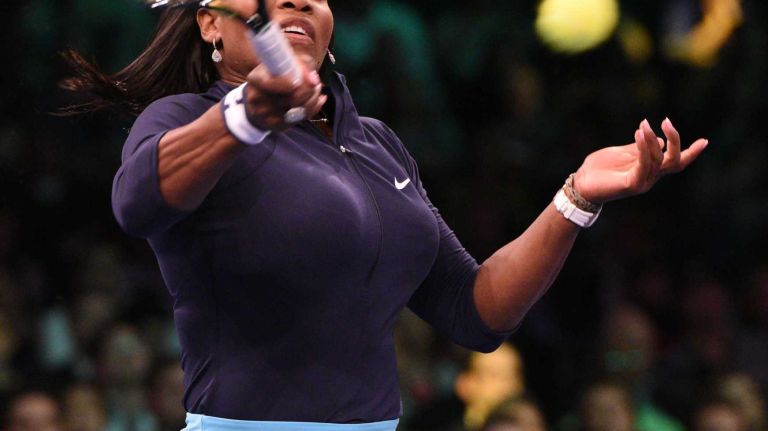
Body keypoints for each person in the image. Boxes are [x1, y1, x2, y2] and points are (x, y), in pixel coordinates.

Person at [61, 0, 708, 429]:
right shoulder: (181, 121)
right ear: (211, 25)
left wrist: (578, 197)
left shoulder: (375, 142)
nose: (300, 0)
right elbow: (136, 203)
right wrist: (244, 115)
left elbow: (476, 309)